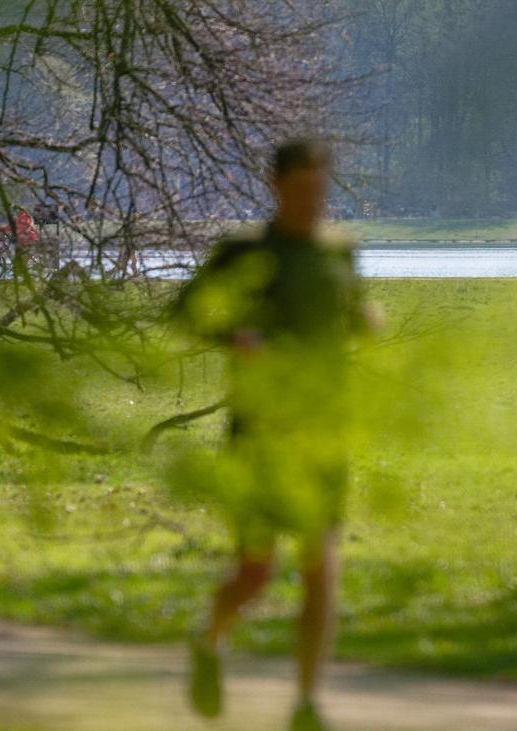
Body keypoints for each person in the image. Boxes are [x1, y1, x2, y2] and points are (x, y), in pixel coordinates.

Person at [174, 140, 378, 731]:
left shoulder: (340, 251)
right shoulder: (242, 252)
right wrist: (235, 336)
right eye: (300, 191)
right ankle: (208, 643)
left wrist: (366, 319)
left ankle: (307, 703)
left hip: (323, 433)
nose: (311, 203)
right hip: (258, 435)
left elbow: (354, 311)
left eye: (320, 191)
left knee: (321, 565)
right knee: (255, 573)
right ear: (275, 185)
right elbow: (187, 314)